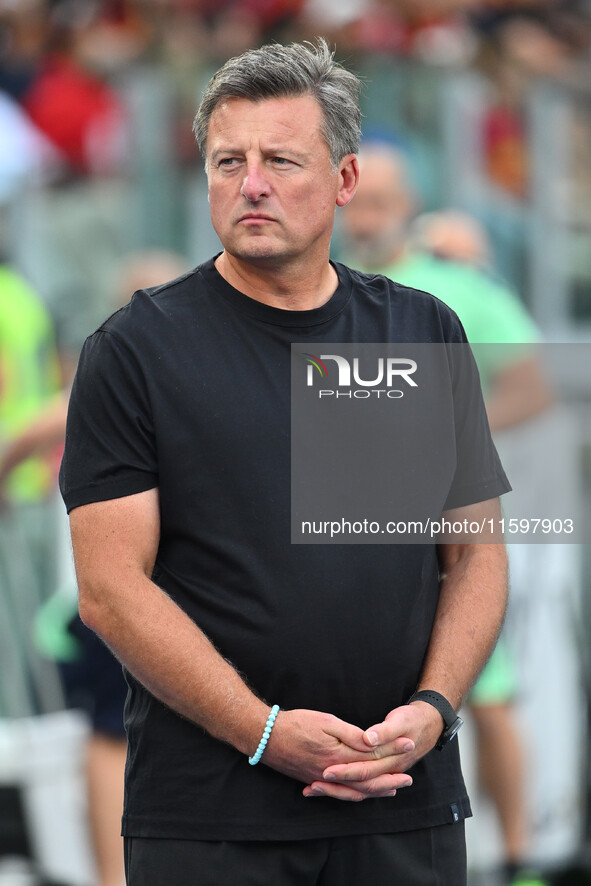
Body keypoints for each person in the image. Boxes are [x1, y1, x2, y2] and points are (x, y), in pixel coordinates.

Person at [60, 39, 509, 886]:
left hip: (402, 796)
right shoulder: (135, 351)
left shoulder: (420, 332)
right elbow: (112, 589)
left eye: (279, 159)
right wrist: (263, 732)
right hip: (212, 819)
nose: (250, 183)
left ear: (343, 180)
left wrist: (435, 707)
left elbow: (476, 555)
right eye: (228, 161)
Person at [339, 146, 552, 886]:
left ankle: (519, 857)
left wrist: (443, 438)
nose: (363, 215)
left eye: (378, 200)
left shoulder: (457, 288)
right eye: (356, 200)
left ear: (407, 204)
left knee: (478, 692)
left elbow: (530, 388)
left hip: (450, 531)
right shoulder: (317, 289)